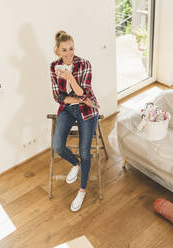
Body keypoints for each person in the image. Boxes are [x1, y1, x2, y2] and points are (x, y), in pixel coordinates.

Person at [50, 30, 100, 212]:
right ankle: (75, 164)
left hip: (87, 110)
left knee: (85, 152)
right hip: (68, 109)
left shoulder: (84, 64)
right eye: (64, 50)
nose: (69, 53)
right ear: (57, 51)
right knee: (57, 146)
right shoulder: (54, 67)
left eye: (71, 48)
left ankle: (82, 190)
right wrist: (77, 99)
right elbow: (58, 96)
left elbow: (84, 93)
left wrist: (70, 78)